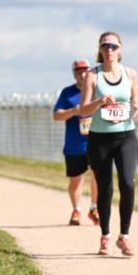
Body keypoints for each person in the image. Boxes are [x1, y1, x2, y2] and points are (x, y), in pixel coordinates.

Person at [78, 31, 138, 256]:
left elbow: (135, 97)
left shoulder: (130, 74)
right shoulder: (92, 75)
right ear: (99, 49)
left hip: (126, 136)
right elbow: (83, 110)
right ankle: (105, 235)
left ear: (120, 49)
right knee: (105, 188)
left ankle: (124, 236)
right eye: (105, 46)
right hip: (100, 138)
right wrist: (99, 101)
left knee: (128, 182)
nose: (109, 50)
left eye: (114, 46)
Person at [53, 60, 100, 226]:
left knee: (98, 176)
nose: (82, 74)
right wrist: (74, 111)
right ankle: (77, 209)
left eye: (85, 71)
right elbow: (57, 115)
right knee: (75, 180)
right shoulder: (68, 93)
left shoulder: (96, 90)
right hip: (74, 145)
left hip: (96, 142)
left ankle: (94, 207)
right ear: (74, 74)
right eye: (79, 72)